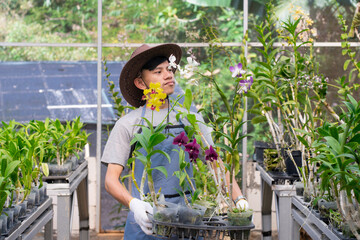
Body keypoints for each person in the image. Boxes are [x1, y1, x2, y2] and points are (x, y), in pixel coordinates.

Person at [101, 43, 249, 240]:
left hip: (187, 219)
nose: (168, 75)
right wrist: (134, 205)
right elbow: (111, 181)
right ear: (140, 83)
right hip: (147, 217)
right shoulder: (129, 124)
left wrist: (238, 199)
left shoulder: (190, 118)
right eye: (158, 71)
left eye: (169, 69)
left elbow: (215, 162)